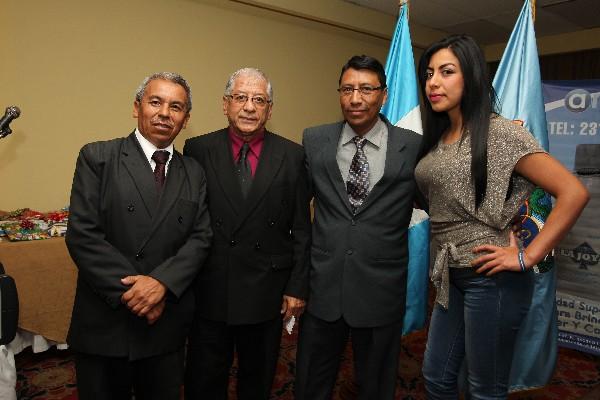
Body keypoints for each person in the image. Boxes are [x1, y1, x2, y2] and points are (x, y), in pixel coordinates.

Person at [415, 34, 590, 399]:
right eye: (429, 73)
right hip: (450, 272)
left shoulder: (500, 132)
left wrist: (529, 255)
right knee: (437, 378)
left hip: (490, 278)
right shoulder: (440, 136)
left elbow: (574, 192)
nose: (433, 82)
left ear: (472, 76)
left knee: (484, 389)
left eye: (447, 71)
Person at [65, 72, 212, 400]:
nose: (165, 113)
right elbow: (82, 235)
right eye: (155, 102)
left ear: (185, 120)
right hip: (106, 321)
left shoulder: (194, 172)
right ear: (136, 107)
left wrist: (160, 285)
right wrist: (138, 294)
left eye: (176, 107)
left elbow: (201, 238)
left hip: (165, 323)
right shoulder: (98, 157)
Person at [295, 55, 422, 400]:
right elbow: (295, 211)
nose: (355, 98)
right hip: (324, 283)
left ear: (383, 94)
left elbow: (438, 198)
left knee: (377, 382)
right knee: (311, 380)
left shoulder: (412, 145)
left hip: (381, 287)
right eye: (348, 89)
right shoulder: (315, 139)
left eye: (366, 89)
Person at [183, 68, 311, 400]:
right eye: (241, 98)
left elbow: (301, 226)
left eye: (259, 100)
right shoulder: (197, 149)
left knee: (258, 378)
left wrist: (297, 287)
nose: (249, 107)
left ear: (270, 109)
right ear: (225, 104)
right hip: (211, 286)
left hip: (266, 290)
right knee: (204, 377)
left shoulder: (293, 156)